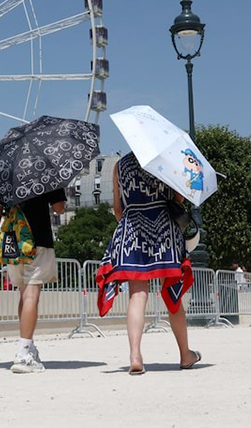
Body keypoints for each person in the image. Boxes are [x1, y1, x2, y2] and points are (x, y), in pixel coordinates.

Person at [96, 153, 200, 375]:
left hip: (132, 226)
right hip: (163, 227)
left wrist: (132, 225)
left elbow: (117, 208)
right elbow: (179, 199)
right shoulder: (163, 159)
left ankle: (135, 355)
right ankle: (185, 354)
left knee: (137, 295)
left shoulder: (119, 166)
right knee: (173, 296)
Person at [0, 188, 66, 374]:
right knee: (31, 295)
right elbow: (59, 208)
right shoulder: (45, 173)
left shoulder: (8, 176)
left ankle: (28, 344)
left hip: (12, 242)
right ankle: (24, 353)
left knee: (23, 294)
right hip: (38, 240)